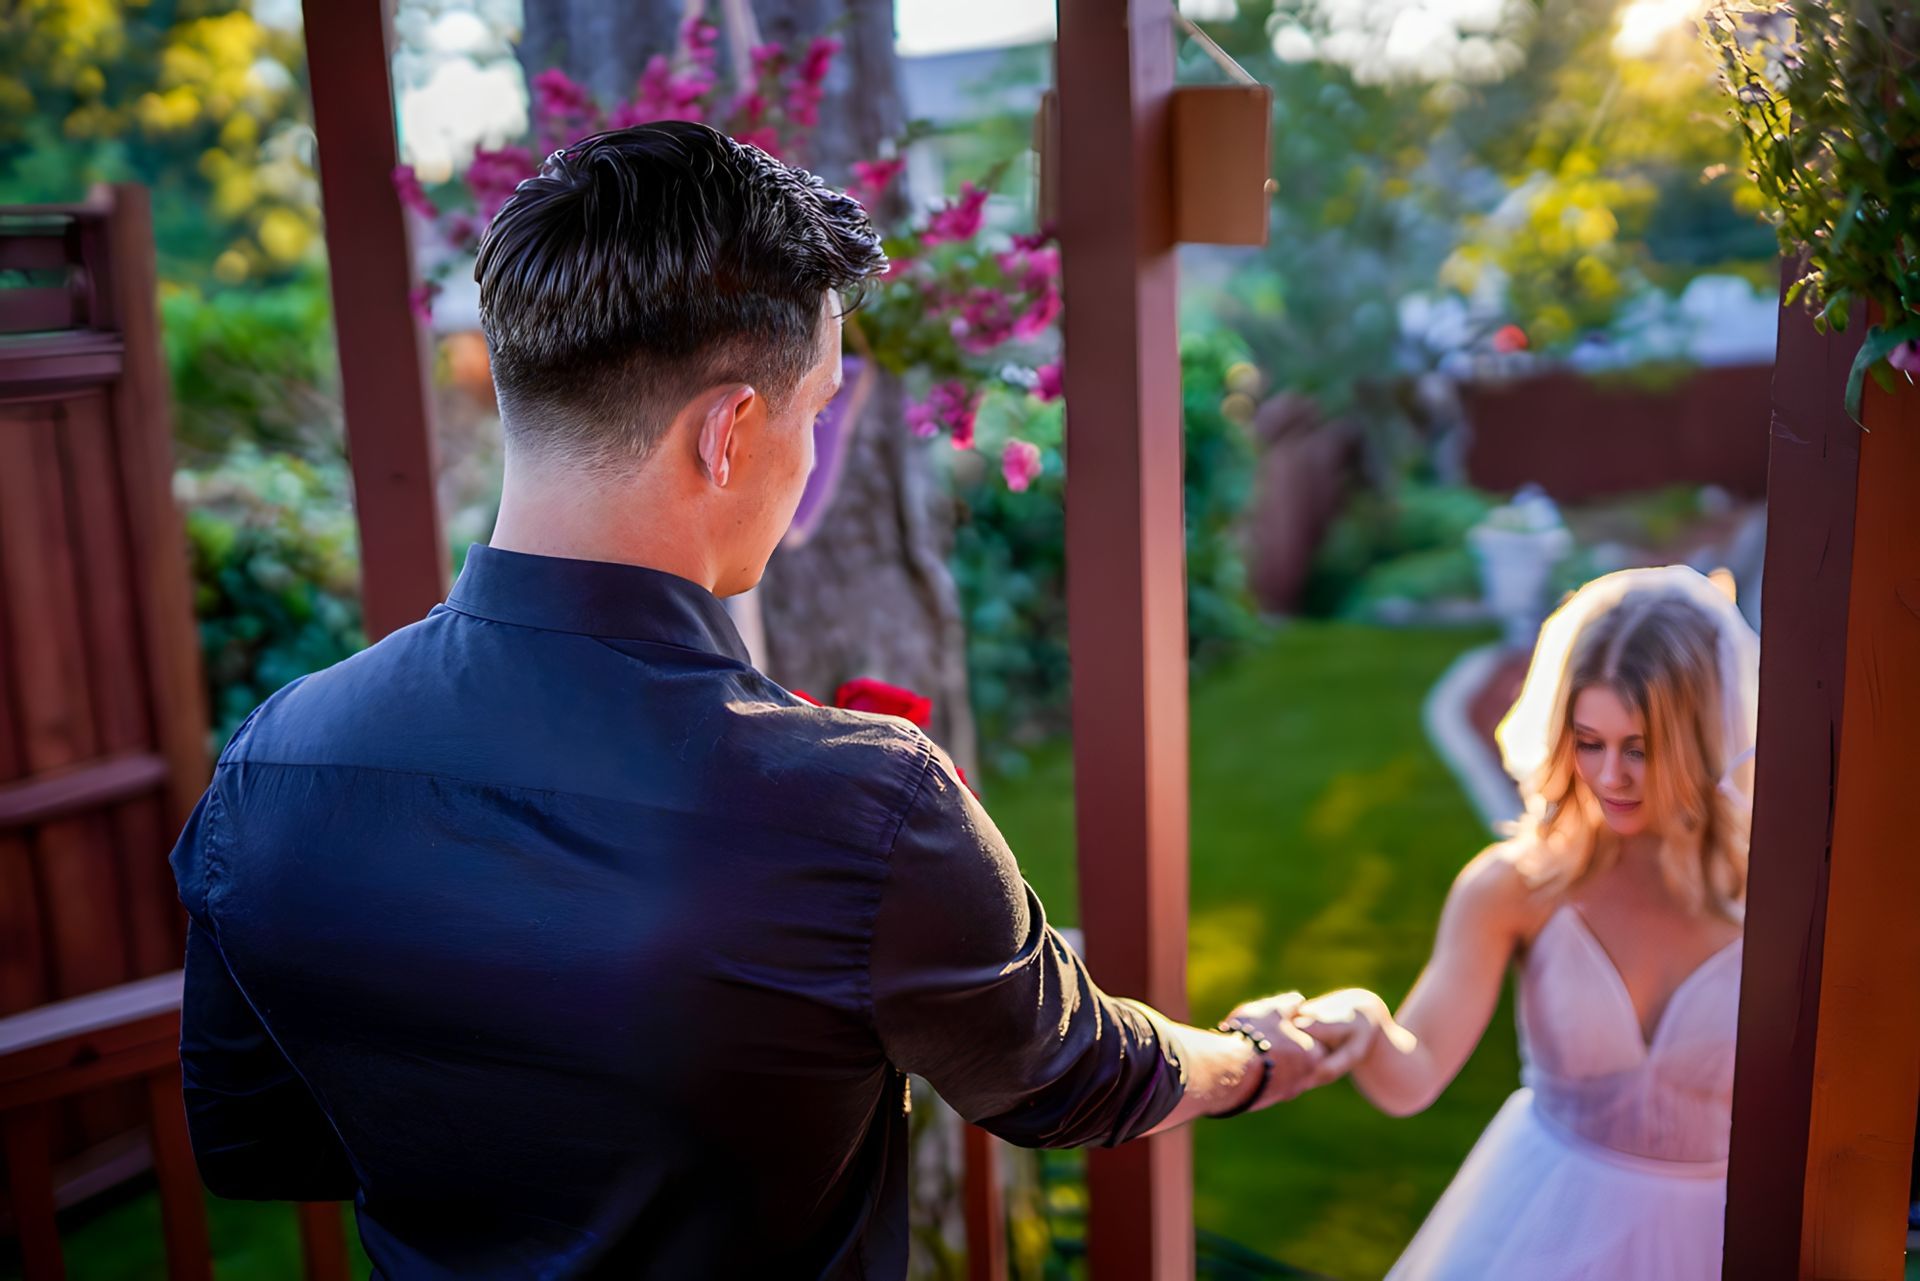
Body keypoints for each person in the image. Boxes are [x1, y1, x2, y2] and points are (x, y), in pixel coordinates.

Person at [168, 123, 1347, 1280]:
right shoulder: (860, 802)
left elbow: (255, 1140)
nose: (812, 447)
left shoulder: (275, 760)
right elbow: (1070, 1070)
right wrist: (1253, 1055)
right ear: (731, 432)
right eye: (816, 409)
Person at [1288, 565, 1759, 1280]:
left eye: (1639, 747)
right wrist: (1364, 1018)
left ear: (1703, 739)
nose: (1609, 777)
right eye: (1588, 740)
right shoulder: (1516, 887)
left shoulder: (1777, 903)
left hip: (1725, 1242)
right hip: (1540, 1228)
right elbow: (1408, 1081)